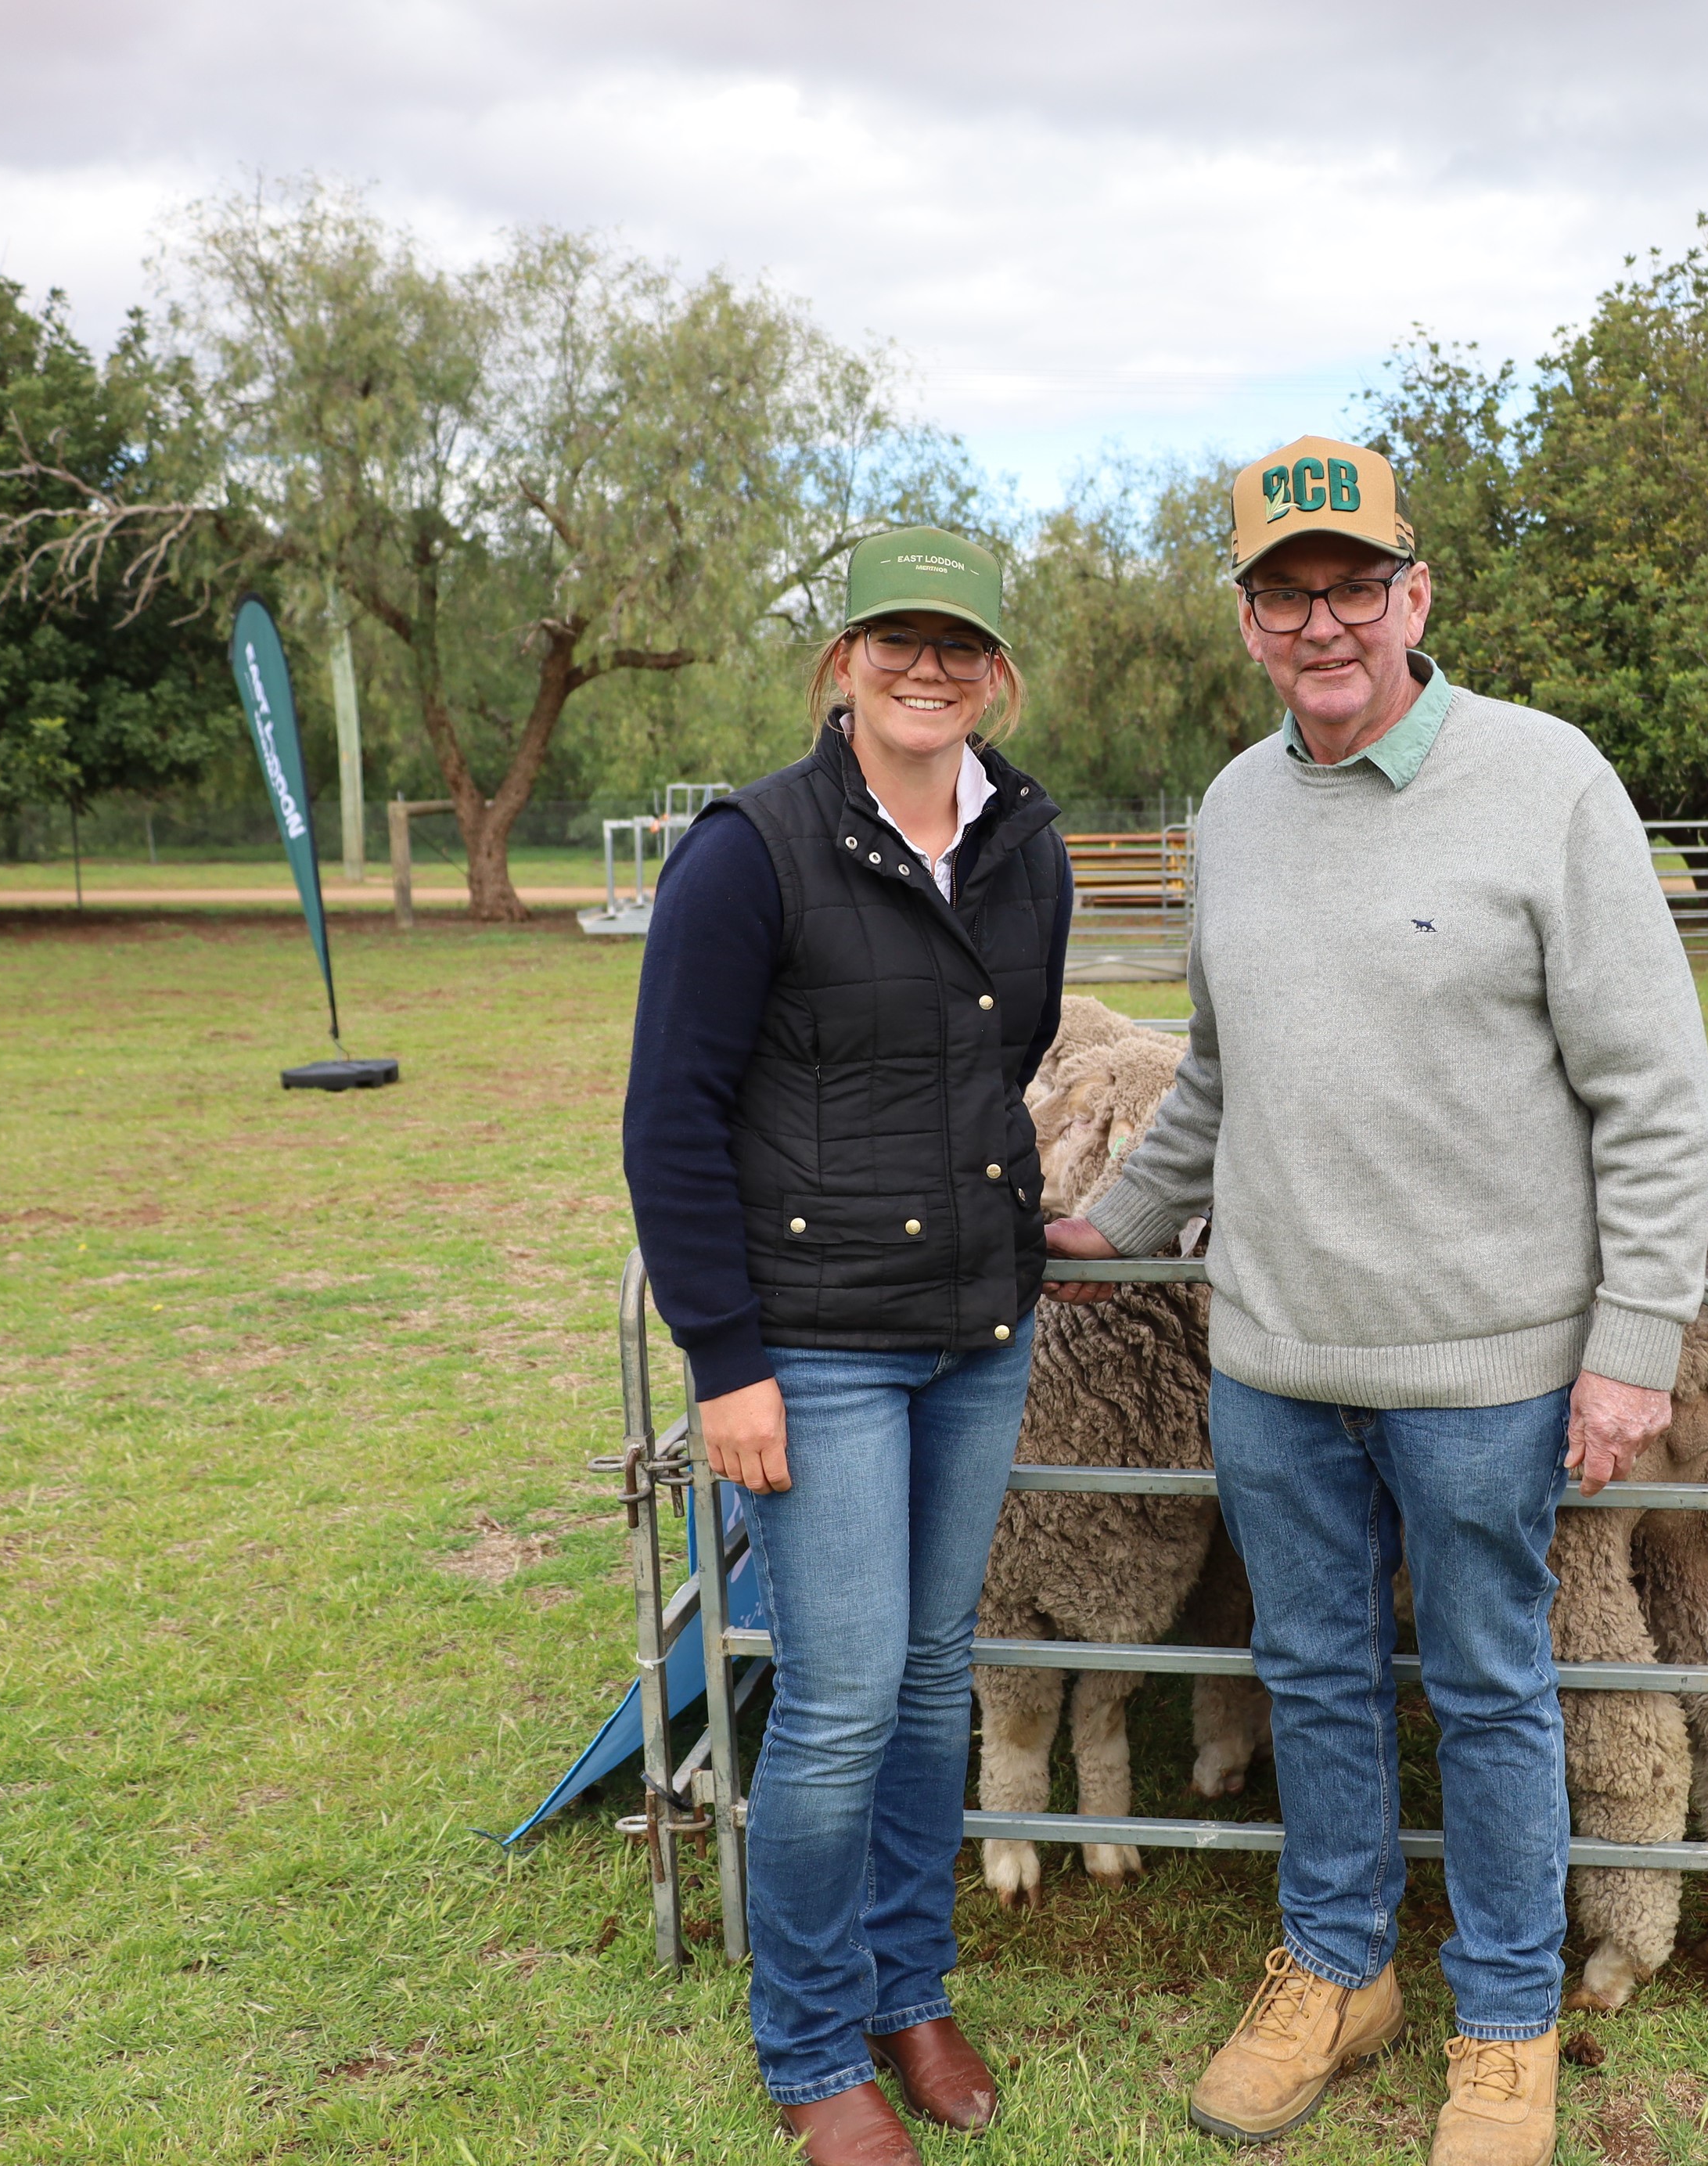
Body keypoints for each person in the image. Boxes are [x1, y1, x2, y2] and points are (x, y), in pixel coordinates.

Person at [1046, 436, 1708, 2166]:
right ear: (1252, 621)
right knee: (1315, 1672)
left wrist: (1631, 1347)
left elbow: (1650, 1092)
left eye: (1356, 586)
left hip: (1487, 1361)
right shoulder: (1234, 806)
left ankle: (1503, 2019)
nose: (1324, 621)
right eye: (1288, 593)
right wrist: (1114, 1224)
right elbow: (1212, 1073)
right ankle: (1337, 1971)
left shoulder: (1549, 782)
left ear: (1415, 595)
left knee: (1489, 1685)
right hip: (1273, 1354)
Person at [623, 527, 1072, 2164]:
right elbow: (669, 1119)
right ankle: (811, 2041)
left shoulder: (1027, 840)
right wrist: (726, 1359)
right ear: (844, 659)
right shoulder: (753, 848)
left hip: (978, 1322)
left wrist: (1029, 1218)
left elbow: (1002, 1054)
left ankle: (906, 1982)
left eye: (959, 642)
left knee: (935, 1673)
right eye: (898, 637)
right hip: (812, 1338)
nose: (927, 667)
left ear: (997, 670)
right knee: (837, 1699)